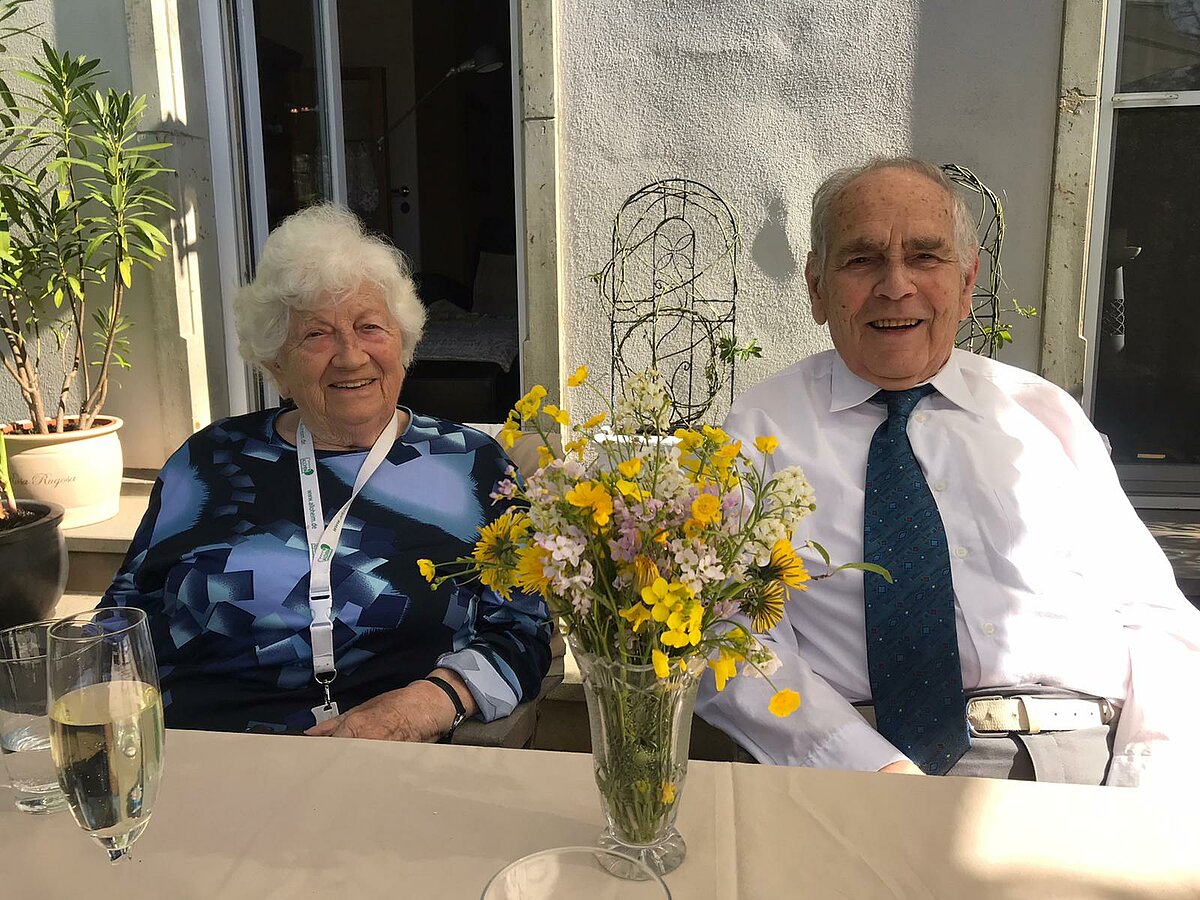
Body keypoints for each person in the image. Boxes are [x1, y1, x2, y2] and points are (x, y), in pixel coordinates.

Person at [696, 157, 1200, 786]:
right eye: (861, 260)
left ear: (966, 284)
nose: (896, 285)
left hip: (1094, 754)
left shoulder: (1043, 415)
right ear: (817, 289)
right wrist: (869, 773)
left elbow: (1154, 612)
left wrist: (1146, 780)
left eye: (926, 258)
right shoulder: (754, 434)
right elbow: (727, 639)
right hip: (864, 764)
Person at [101, 204, 551, 740]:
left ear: (402, 347)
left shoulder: (472, 465)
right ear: (277, 367)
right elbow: (123, 615)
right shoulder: (209, 461)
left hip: (385, 761)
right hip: (199, 751)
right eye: (316, 335)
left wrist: (419, 708)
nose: (350, 356)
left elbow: (523, 631)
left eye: (369, 328)